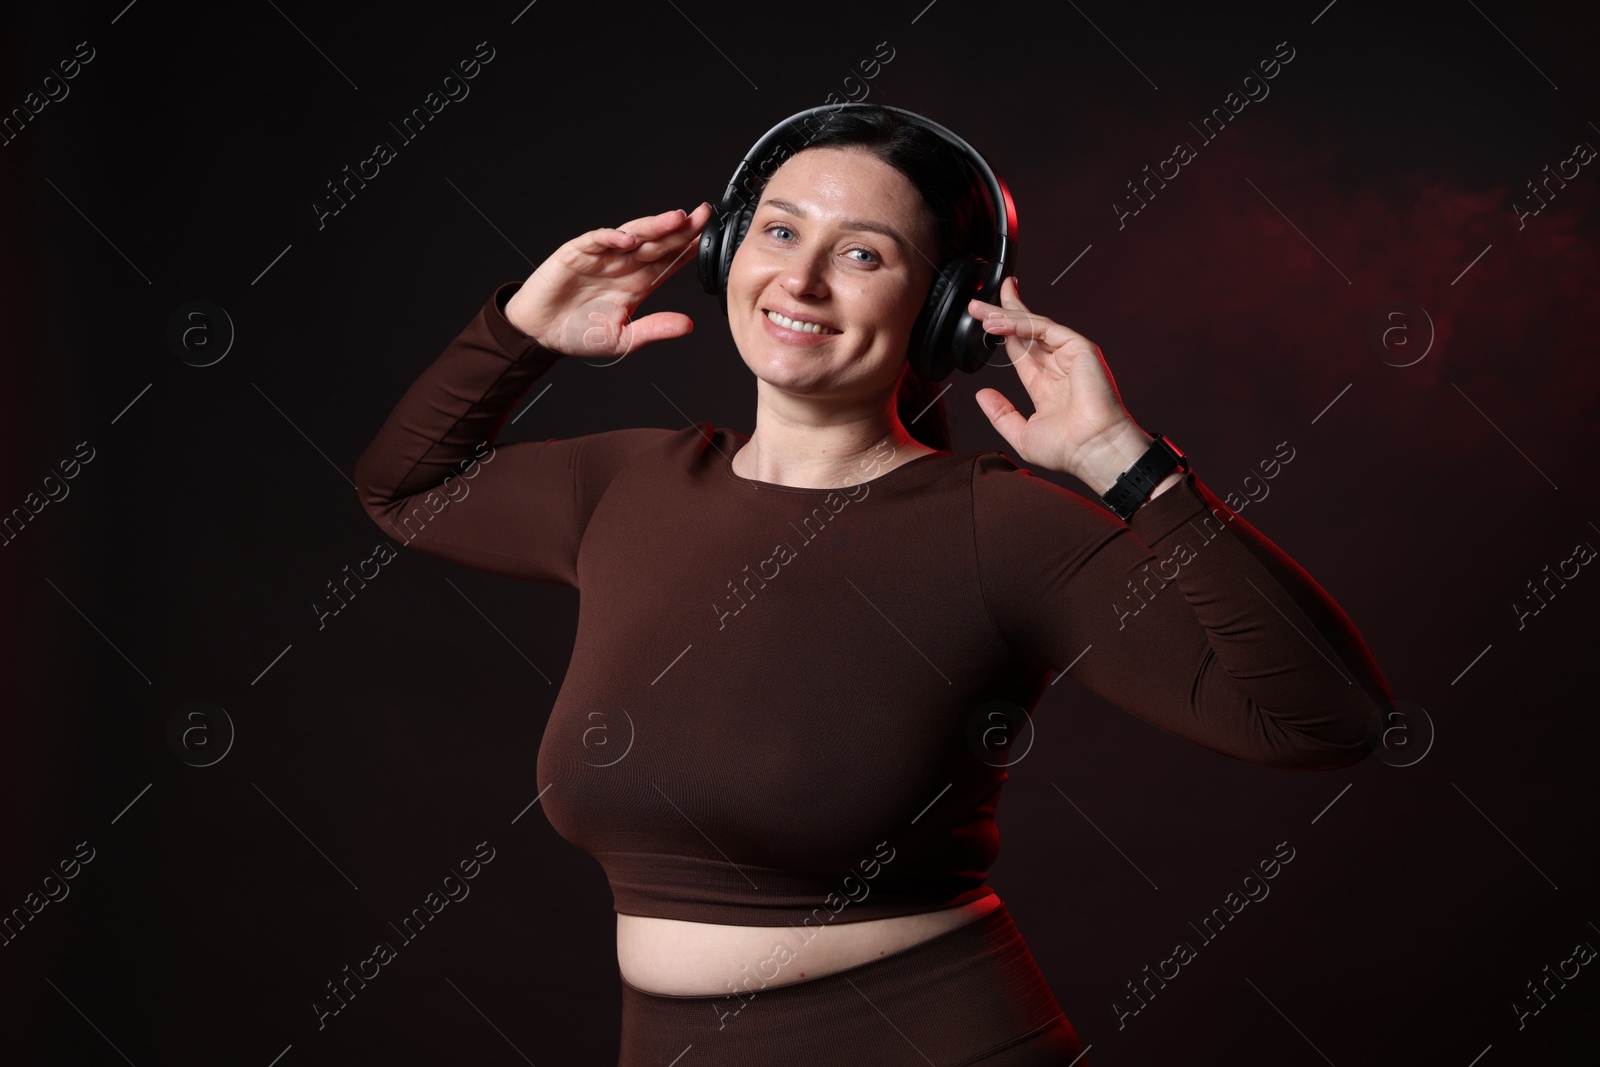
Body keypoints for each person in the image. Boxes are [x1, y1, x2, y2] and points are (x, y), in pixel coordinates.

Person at [353, 104, 1391, 1065]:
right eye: (775, 231)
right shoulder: (625, 485)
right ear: (723, 252)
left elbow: (1323, 718)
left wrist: (1130, 465)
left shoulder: (995, 524)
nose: (799, 281)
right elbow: (404, 488)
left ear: (942, 311)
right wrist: (525, 330)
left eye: (860, 253)